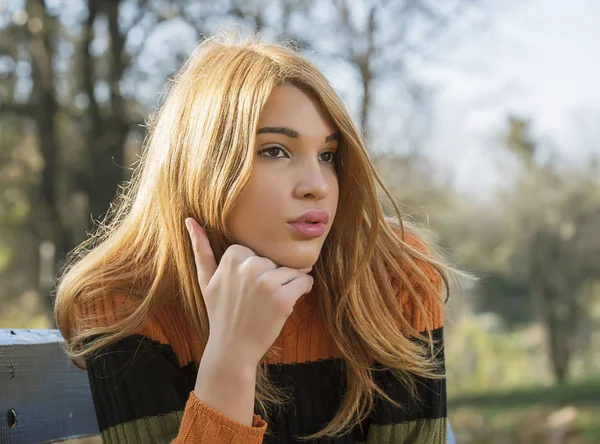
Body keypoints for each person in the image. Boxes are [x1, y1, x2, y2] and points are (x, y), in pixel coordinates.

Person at [54, 31, 461, 443]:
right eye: (275, 150)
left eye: (328, 155)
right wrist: (231, 357)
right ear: (204, 163)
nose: (317, 185)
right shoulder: (128, 302)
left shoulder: (394, 277)